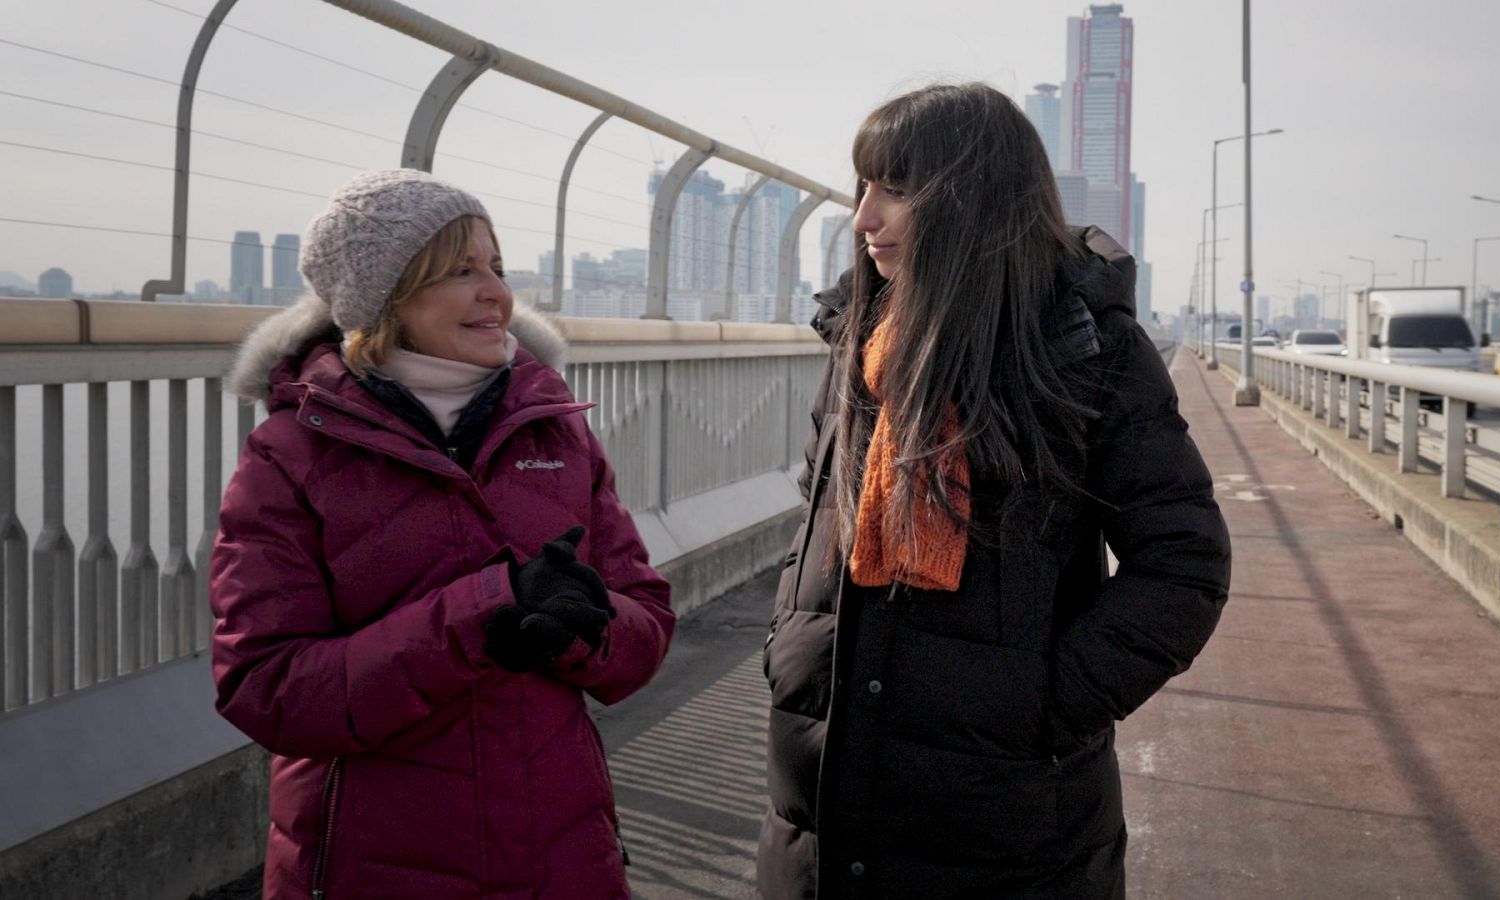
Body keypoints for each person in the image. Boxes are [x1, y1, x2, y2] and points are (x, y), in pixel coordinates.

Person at [758, 84, 1231, 899]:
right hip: (824, 811)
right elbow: (818, 514)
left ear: (974, 198)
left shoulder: (1083, 347)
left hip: (1012, 829)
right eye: (861, 188)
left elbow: (1183, 564)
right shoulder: (859, 339)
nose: (864, 219)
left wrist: (1044, 705)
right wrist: (791, 645)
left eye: (894, 190)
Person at [210, 169, 674, 899]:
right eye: (461, 270)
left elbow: (645, 625)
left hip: (562, 859)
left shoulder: (555, 430)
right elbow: (266, 689)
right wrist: (480, 616)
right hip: (371, 864)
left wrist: (584, 626)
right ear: (383, 295)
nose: (497, 292)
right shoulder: (292, 454)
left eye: (495, 265)